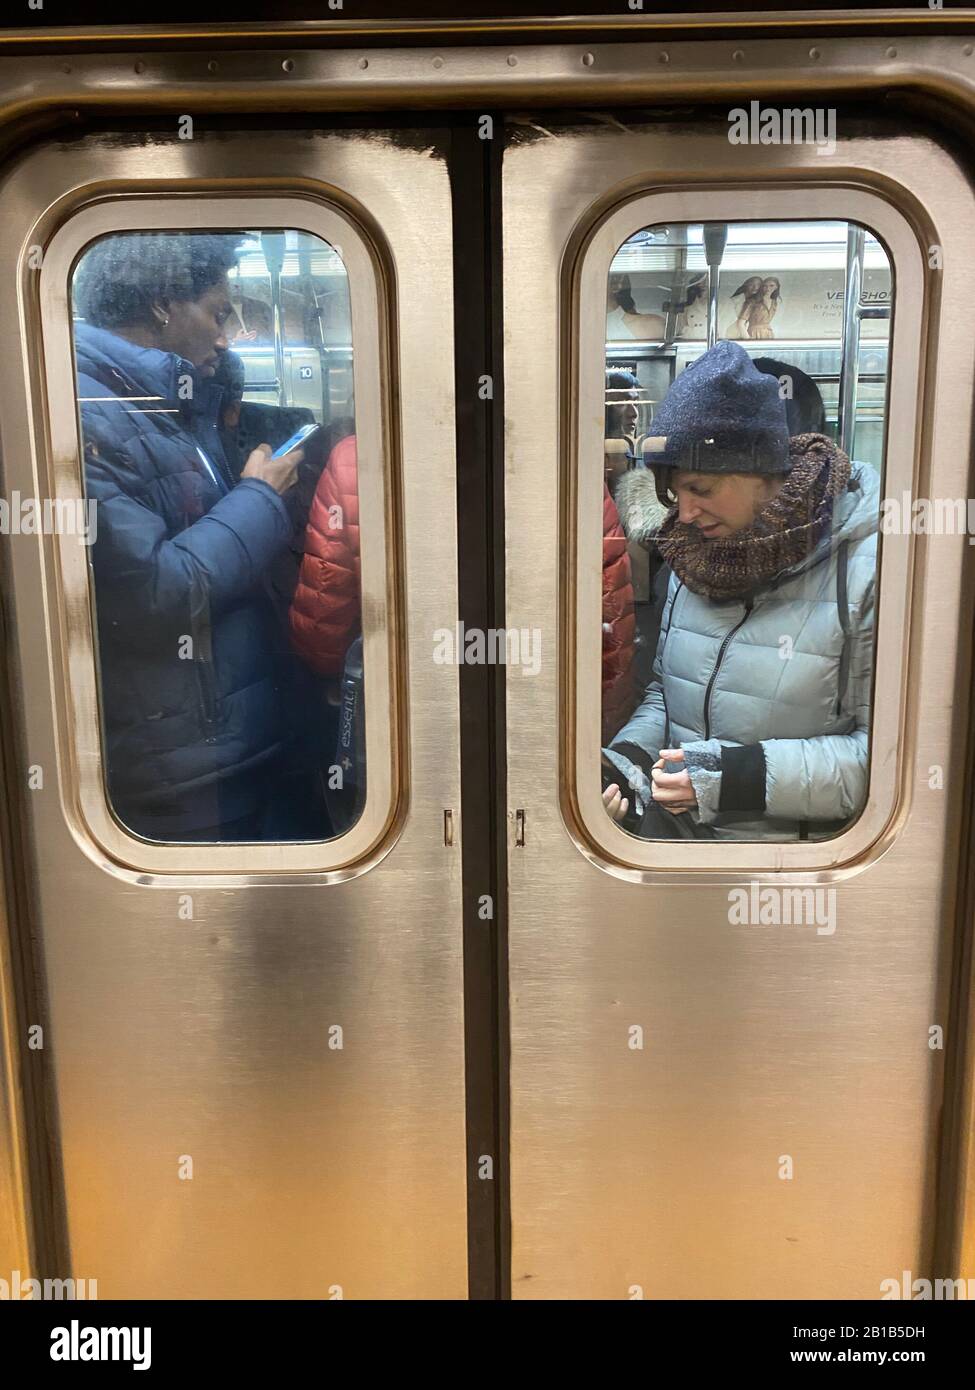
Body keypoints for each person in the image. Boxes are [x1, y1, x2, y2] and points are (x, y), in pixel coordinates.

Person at [72, 232, 307, 842]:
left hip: (223, 732)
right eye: (218, 313)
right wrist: (259, 497)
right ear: (162, 305)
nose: (226, 336)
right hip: (179, 762)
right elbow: (155, 594)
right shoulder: (87, 414)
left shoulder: (165, 407)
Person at [601, 339, 878, 841]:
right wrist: (624, 765)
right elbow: (667, 695)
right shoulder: (693, 555)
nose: (683, 514)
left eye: (701, 490)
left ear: (766, 474)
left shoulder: (864, 569)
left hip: (799, 871)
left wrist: (735, 778)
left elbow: (889, 759)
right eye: (673, 492)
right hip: (681, 847)